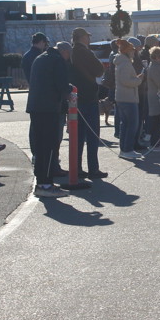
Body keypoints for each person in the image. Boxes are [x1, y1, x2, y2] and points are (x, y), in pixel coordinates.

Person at [28, 41, 72, 198]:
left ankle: (41, 182)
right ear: (64, 52)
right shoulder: (57, 60)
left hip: (35, 107)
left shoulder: (40, 58)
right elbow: (62, 84)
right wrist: (70, 90)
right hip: (49, 108)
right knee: (49, 147)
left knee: (40, 147)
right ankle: (45, 184)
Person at [69, 27, 107, 179]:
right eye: (87, 36)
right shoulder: (85, 52)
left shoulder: (70, 52)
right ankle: (93, 168)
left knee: (77, 136)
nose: (89, 39)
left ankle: (76, 167)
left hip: (75, 98)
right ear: (82, 37)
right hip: (89, 97)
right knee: (92, 135)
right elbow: (99, 70)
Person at [113, 39, 146, 159]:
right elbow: (126, 81)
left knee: (125, 124)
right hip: (128, 98)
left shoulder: (121, 62)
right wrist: (139, 79)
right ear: (127, 51)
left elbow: (124, 79)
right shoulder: (126, 63)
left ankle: (124, 149)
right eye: (132, 50)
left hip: (122, 97)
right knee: (132, 125)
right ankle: (127, 149)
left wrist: (136, 78)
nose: (134, 52)